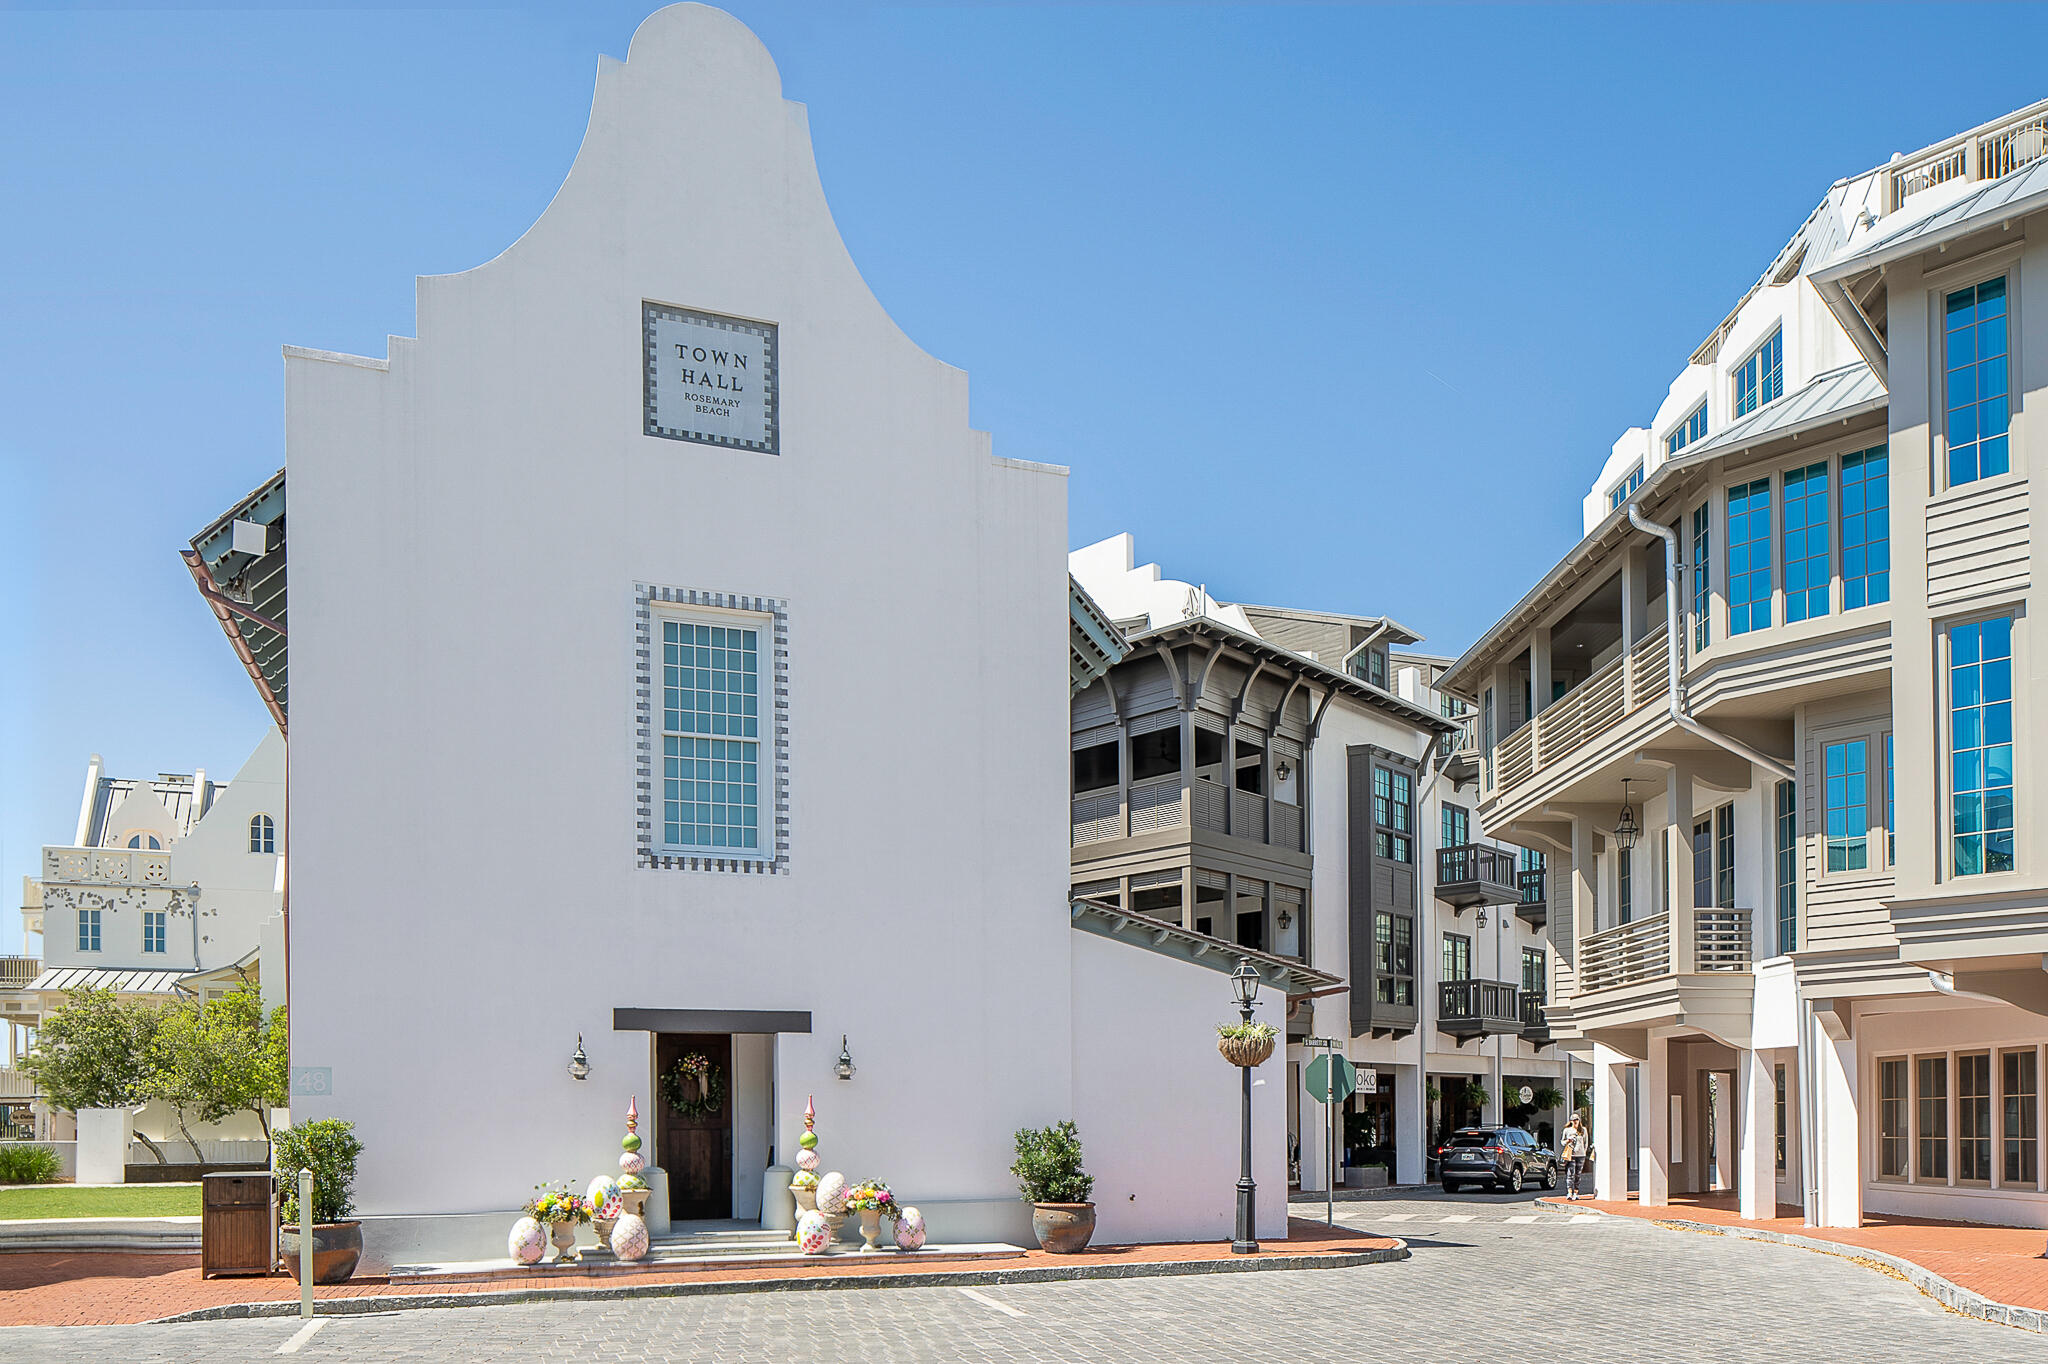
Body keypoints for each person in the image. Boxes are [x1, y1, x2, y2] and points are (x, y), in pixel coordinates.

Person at [1559, 1114, 1590, 1200]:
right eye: (1573, 1120)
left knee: (1578, 1174)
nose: (1575, 1121)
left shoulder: (1583, 1130)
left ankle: (1576, 1192)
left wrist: (1584, 1151)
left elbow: (1586, 1142)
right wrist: (1568, 1141)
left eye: (1576, 1119)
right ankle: (1569, 1192)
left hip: (1581, 1155)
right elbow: (1562, 1142)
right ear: (1571, 1121)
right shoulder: (1567, 1130)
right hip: (1571, 1154)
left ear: (1579, 1120)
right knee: (1570, 1173)